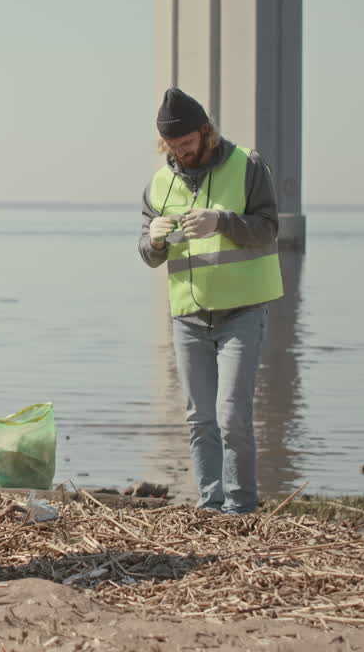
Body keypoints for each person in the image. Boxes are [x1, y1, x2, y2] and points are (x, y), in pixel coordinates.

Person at [138, 87, 283, 514]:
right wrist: (155, 241)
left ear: (206, 133)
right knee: (199, 419)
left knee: (232, 415)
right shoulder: (159, 185)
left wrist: (222, 221)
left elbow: (269, 227)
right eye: (172, 146)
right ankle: (209, 504)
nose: (181, 153)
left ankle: (240, 507)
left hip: (243, 311)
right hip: (188, 317)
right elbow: (146, 255)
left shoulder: (247, 166)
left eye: (187, 144)